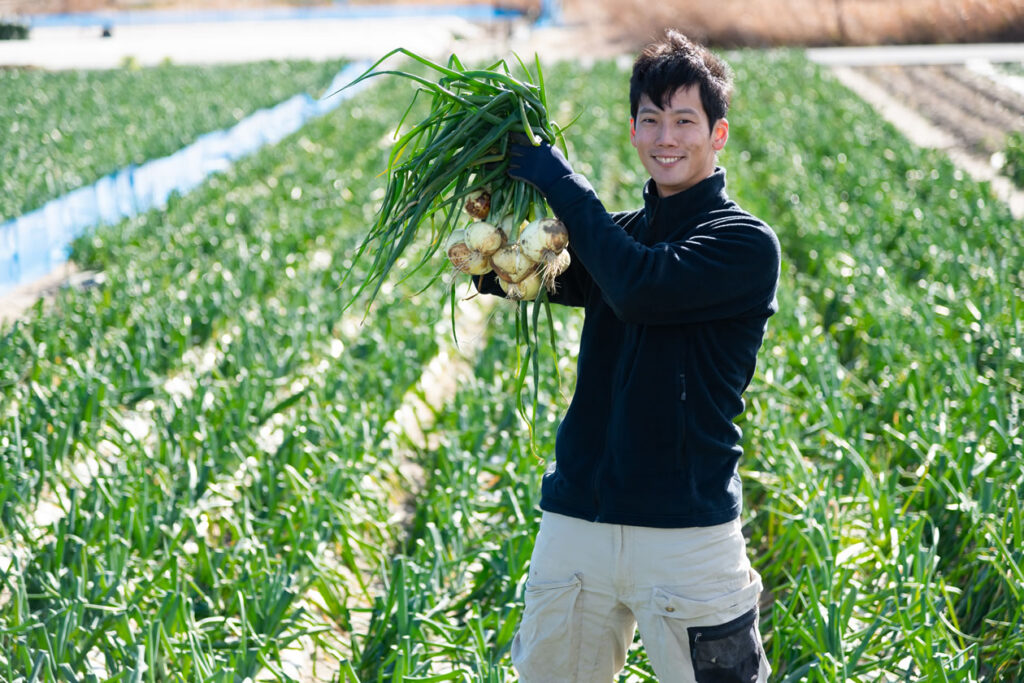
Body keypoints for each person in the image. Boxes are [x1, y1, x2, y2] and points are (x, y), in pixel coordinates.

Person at [476, 28, 780, 681]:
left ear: (717, 134)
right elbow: (508, 274)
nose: (666, 136)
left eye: (684, 120)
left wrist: (561, 181)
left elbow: (641, 287)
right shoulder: (617, 236)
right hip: (578, 519)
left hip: (685, 531)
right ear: (634, 132)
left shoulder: (745, 244)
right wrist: (485, 210)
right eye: (651, 120)